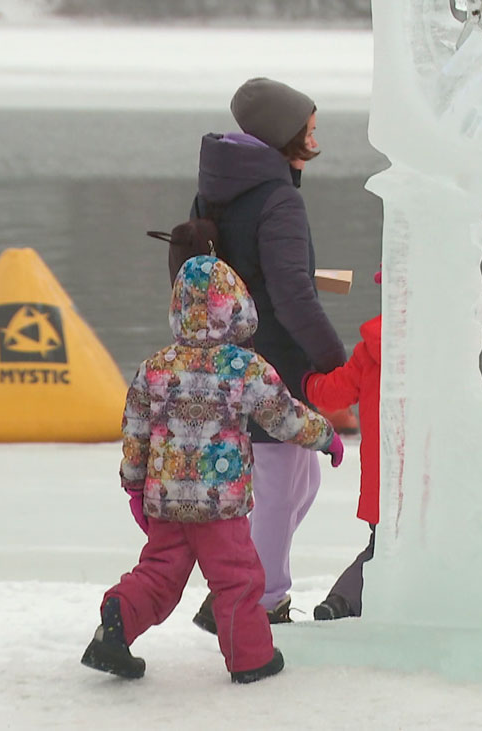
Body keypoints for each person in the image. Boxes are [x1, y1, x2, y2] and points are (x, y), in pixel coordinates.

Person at [80, 255, 344, 684]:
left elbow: (135, 433)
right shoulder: (243, 367)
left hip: (166, 501)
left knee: (158, 575)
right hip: (220, 506)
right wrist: (325, 437)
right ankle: (251, 658)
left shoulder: (155, 368)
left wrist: (134, 487)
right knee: (237, 579)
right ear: (236, 307)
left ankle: (117, 619)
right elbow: (283, 417)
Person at [188, 77, 349, 632]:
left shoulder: (219, 188)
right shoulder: (277, 197)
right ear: (287, 135)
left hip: (230, 354)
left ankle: (237, 588)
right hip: (273, 365)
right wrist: (337, 365)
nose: (315, 134)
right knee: (282, 484)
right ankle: (261, 602)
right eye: (309, 126)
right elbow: (291, 294)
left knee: (301, 483)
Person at [302, 269, 383, 620]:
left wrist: (305, 381)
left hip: (383, 482)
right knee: (393, 551)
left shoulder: (371, 352)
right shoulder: (443, 353)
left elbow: (334, 393)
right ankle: (346, 602)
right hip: (431, 483)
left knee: (381, 547)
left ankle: (341, 601)